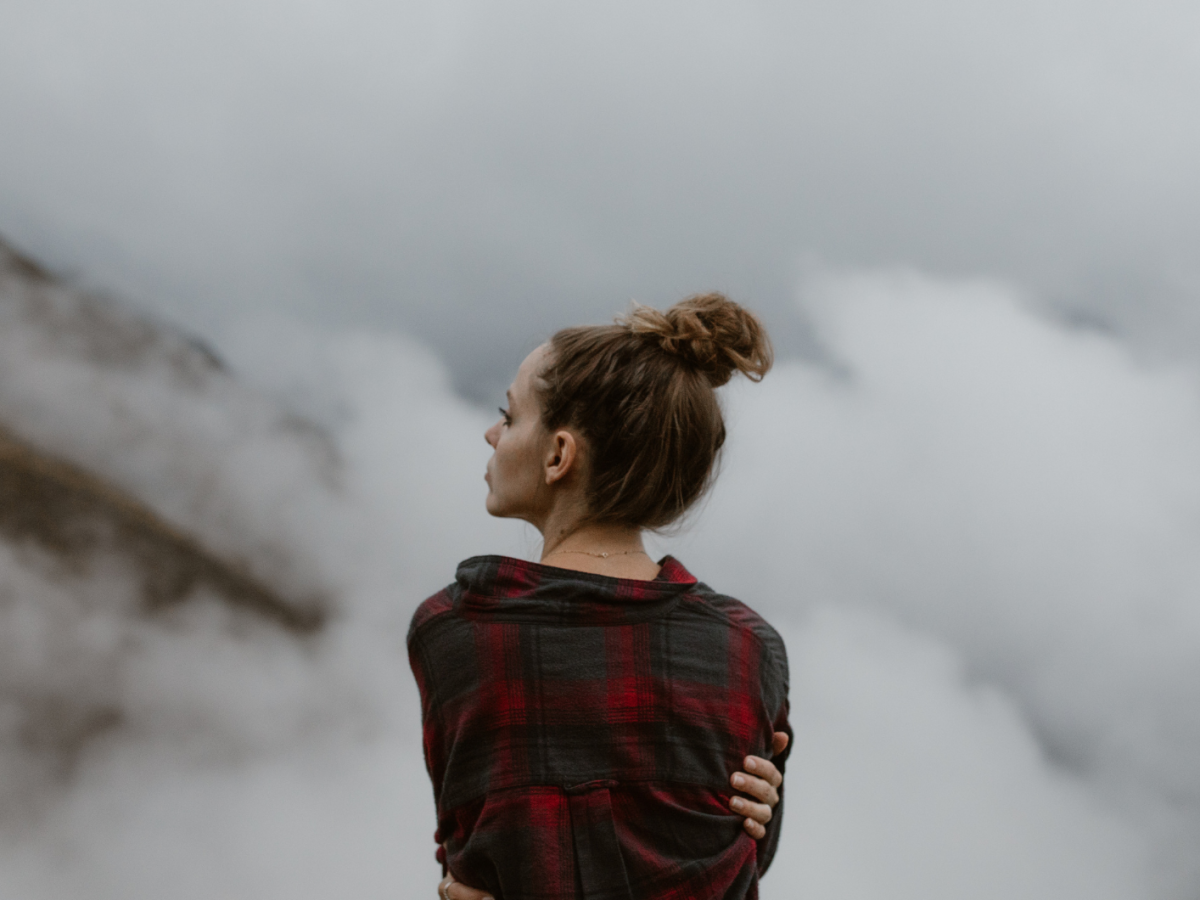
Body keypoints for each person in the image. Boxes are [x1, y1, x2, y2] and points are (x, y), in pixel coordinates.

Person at [409, 294, 791, 899]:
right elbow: (750, 853)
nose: (491, 434)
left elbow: (464, 851)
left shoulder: (454, 630)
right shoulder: (749, 648)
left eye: (508, 417)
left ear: (560, 455)